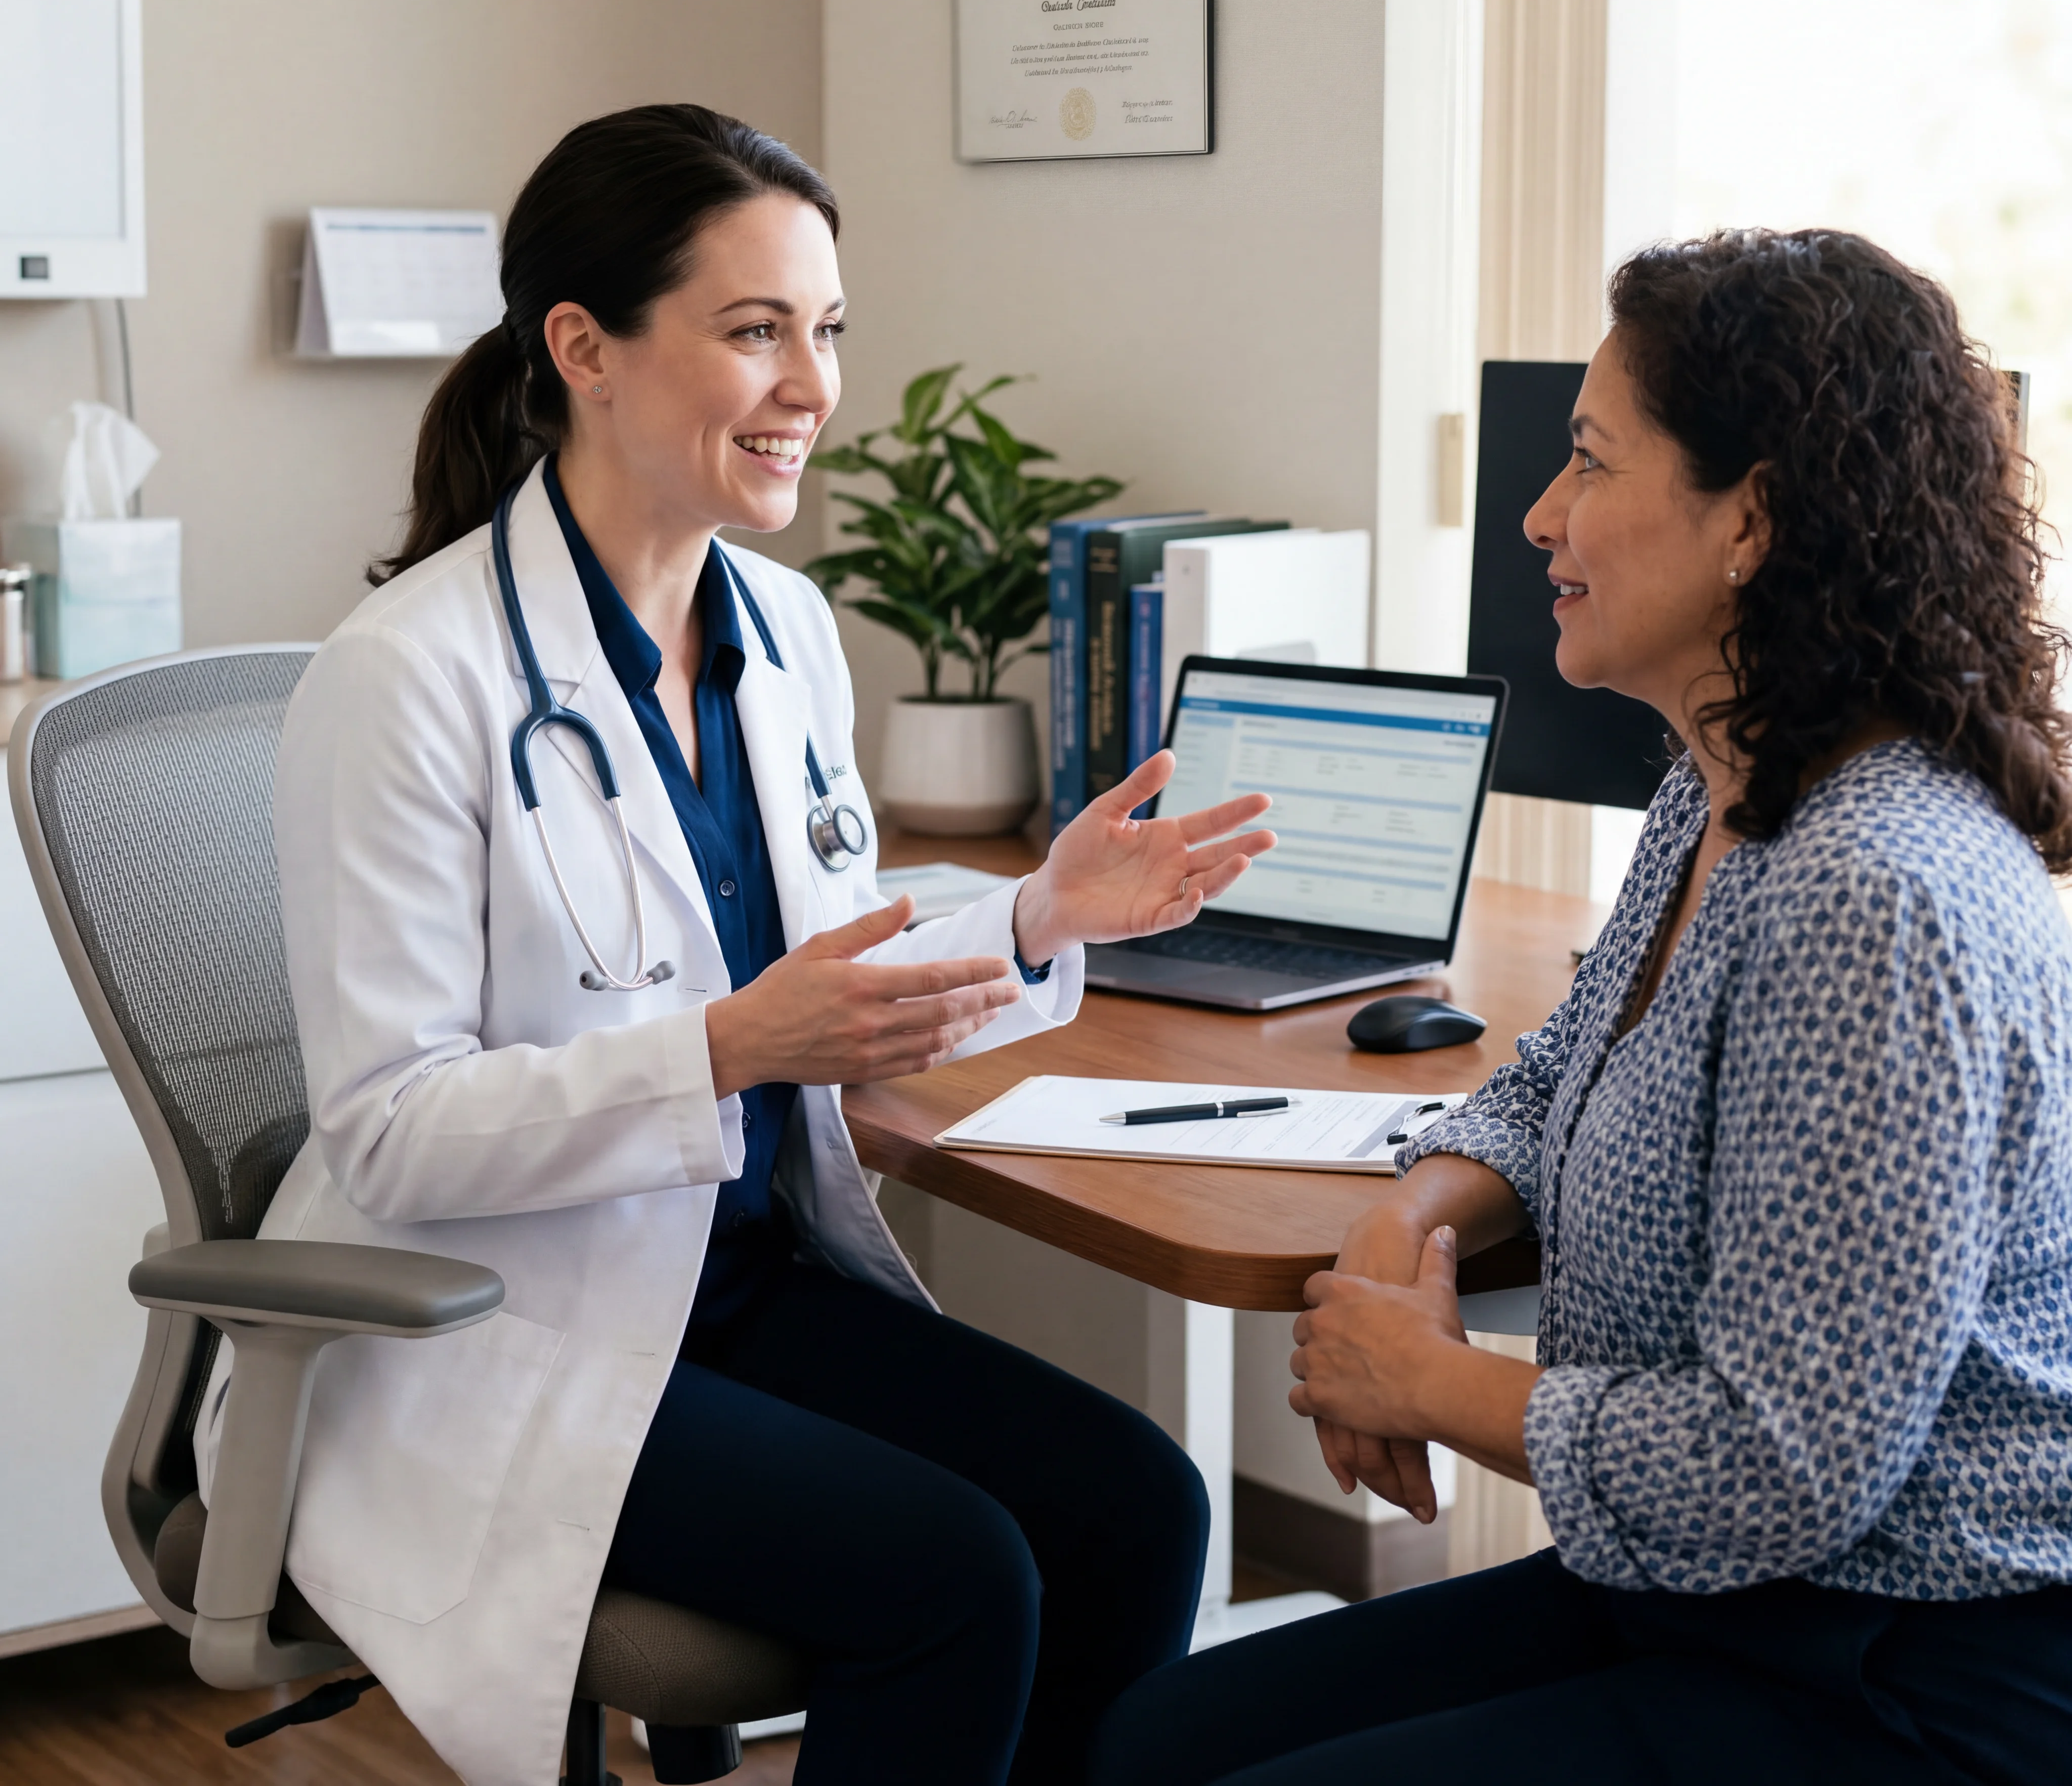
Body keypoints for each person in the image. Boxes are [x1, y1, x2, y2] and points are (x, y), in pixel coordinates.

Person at [204, 104, 1276, 1786]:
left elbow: (822, 969)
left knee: (1139, 1512)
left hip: (737, 1284)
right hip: (497, 1321)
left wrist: (1034, 915)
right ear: (586, 349)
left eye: (827, 329)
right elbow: (392, 1134)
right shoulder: (407, 679)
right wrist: (727, 1052)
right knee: (956, 1580)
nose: (813, 385)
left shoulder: (780, 629)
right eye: (755, 329)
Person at [1091, 229, 2072, 1786]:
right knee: (1153, 1742)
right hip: (1711, 1602)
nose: (1541, 516)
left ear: (1751, 517)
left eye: (1591, 464)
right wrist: (1405, 1218)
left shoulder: (1877, 893)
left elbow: (1779, 1465)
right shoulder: (1729, 785)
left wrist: (1425, 1378)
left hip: (1904, 1667)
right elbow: (1564, 1071)